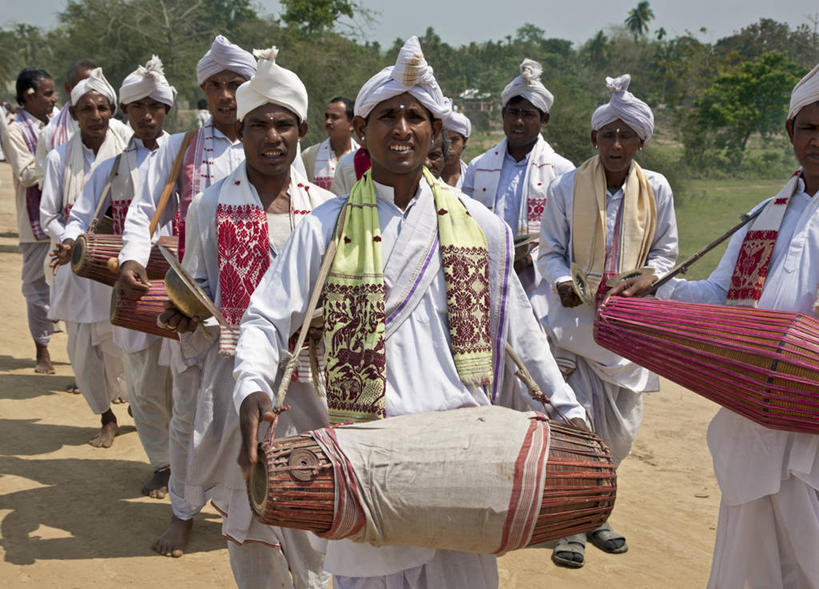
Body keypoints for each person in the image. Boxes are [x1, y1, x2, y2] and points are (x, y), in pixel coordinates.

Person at [234, 36, 588, 589]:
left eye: (415, 116)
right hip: (371, 459)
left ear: (435, 132)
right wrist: (253, 385)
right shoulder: (323, 229)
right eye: (387, 116)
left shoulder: (482, 227)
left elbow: (520, 332)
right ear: (363, 129)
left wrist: (567, 410)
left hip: (466, 460)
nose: (401, 128)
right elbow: (263, 320)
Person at [612, 64, 819, 589]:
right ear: (790, 133)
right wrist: (657, 285)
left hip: (814, 430)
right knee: (750, 571)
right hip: (752, 421)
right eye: (810, 127)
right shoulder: (764, 212)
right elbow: (719, 296)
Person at [157, 46, 332, 589]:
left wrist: (325, 321)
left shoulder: (328, 208)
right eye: (258, 124)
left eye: (283, 124)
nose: (271, 136)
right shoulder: (209, 205)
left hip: (310, 383)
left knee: (313, 513)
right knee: (249, 512)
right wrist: (188, 313)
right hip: (237, 383)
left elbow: (343, 293)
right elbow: (198, 284)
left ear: (301, 129)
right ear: (243, 131)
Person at [117, 34, 256, 558]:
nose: (226, 95)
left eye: (236, 84)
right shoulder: (180, 148)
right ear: (203, 91)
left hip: (259, 307)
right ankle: (183, 511)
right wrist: (133, 257)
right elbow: (142, 211)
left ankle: (249, 504)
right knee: (188, 416)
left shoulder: (272, 140)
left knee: (255, 408)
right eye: (216, 86)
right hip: (193, 306)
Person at [536, 74, 678, 568]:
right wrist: (561, 283)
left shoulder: (656, 187)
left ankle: (595, 513)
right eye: (608, 135)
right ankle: (570, 526)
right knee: (576, 429)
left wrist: (647, 276)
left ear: (640, 141)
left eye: (626, 135)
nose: (616, 144)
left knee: (618, 436)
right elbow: (549, 250)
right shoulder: (567, 185)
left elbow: (666, 252)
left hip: (630, 332)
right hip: (574, 330)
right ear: (594, 140)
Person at [62, 56, 175, 498]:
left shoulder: (186, 155)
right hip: (133, 285)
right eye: (137, 106)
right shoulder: (113, 165)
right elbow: (81, 213)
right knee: (144, 382)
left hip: (183, 284)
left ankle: (193, 468)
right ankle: (164, 464)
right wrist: (72, 239)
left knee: (187, 383)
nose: (147, 115)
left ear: (166, 109)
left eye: (155, 105)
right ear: (125, 111)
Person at [40, 67, 130, 448]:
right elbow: (49, 216)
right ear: (75, 114)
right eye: (88, 109)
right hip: (75, 266)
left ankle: (135, 407)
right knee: (82, 348)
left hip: (118, 265)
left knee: (122, 346)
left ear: (112, 111)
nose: (96, 116)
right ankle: (106, 416)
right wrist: (71, 242)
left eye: (103, 108)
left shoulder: (127, 148)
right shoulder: (60, 157)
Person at [1, 68, 59, 373]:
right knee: (37, 288)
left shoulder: (62, 120)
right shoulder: (15, 130)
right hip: (35, 222)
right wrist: (55, 160)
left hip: (68, 218)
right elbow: (25, 175)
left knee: (76, 285)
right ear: (29, 95)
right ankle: (43, 350)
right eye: (48, 93)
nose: (54, 99)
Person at [34, 59, 131, 185]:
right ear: (69, 89)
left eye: (96, 85)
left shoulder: (119, 130)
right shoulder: (49, 134)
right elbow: (42, 178)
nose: (90, 92)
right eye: (84, 86)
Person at [301, 96, 359, 190]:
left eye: (334, 117)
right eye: (326, 117)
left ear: (352, 124)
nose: (328, 122)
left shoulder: (363, 156)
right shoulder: (309, 155)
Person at [441, 109, 470, 188]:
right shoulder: (424, 180)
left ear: (464, 141)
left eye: (454, 140)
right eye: (444, 141)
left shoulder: (471, 178)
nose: (449, 147)